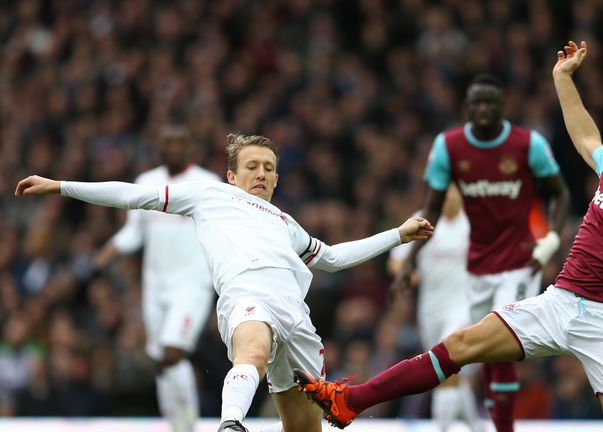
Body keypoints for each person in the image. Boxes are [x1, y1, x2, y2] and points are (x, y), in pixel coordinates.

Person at [292, 40, 603, 432]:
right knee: (460, 346)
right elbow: (583, 136)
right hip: (558, 301)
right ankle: (351, 401)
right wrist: (562, 79)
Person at [15, 133, 434, 432]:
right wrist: (60, 186)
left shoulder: (287, 224)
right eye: (251, 166)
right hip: (246, 294)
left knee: (305, 428)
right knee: (252, 350)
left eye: (269, 168)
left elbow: (335, 258)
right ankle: (231, 424)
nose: (261, 174)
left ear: (276, 179)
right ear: (232, 175)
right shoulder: (209, 195)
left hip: (297, 316)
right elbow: (133, 195)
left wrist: (397, 233)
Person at [391, 72, 571, 432]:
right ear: (467, 108)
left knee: (500, 337)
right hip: (478, 269)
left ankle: (501, 429)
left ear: (503, 106)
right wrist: (408, 262)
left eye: (491, 102)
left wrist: (550, 240)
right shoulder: (448, 147)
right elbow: (432, 208)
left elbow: (559, 193)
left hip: (519, 262)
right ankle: (480, 425)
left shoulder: (528, 144)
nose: (485, 109)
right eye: (477, 103)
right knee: (478, 356)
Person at [91, 125, 219, 432]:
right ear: (159, 148)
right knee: (161, 360)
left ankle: (189, 425)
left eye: (179, 143)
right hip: (155, 285)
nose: (173, 148)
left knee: (174, 351)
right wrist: (112, 248)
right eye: (168, 143)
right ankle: (178, 425)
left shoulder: (207, 184)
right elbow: (135, 231)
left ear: (190, 147)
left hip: (192, 284)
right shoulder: (147, 183)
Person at [387, 184, 482, 432]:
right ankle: (476, 427)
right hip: (430, 311)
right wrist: (407, 274)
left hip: (465, 308)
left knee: (447, 367)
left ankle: (442, 428)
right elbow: (396, 261)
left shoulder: (475, 221)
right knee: (452, 376)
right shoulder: (424, 220)